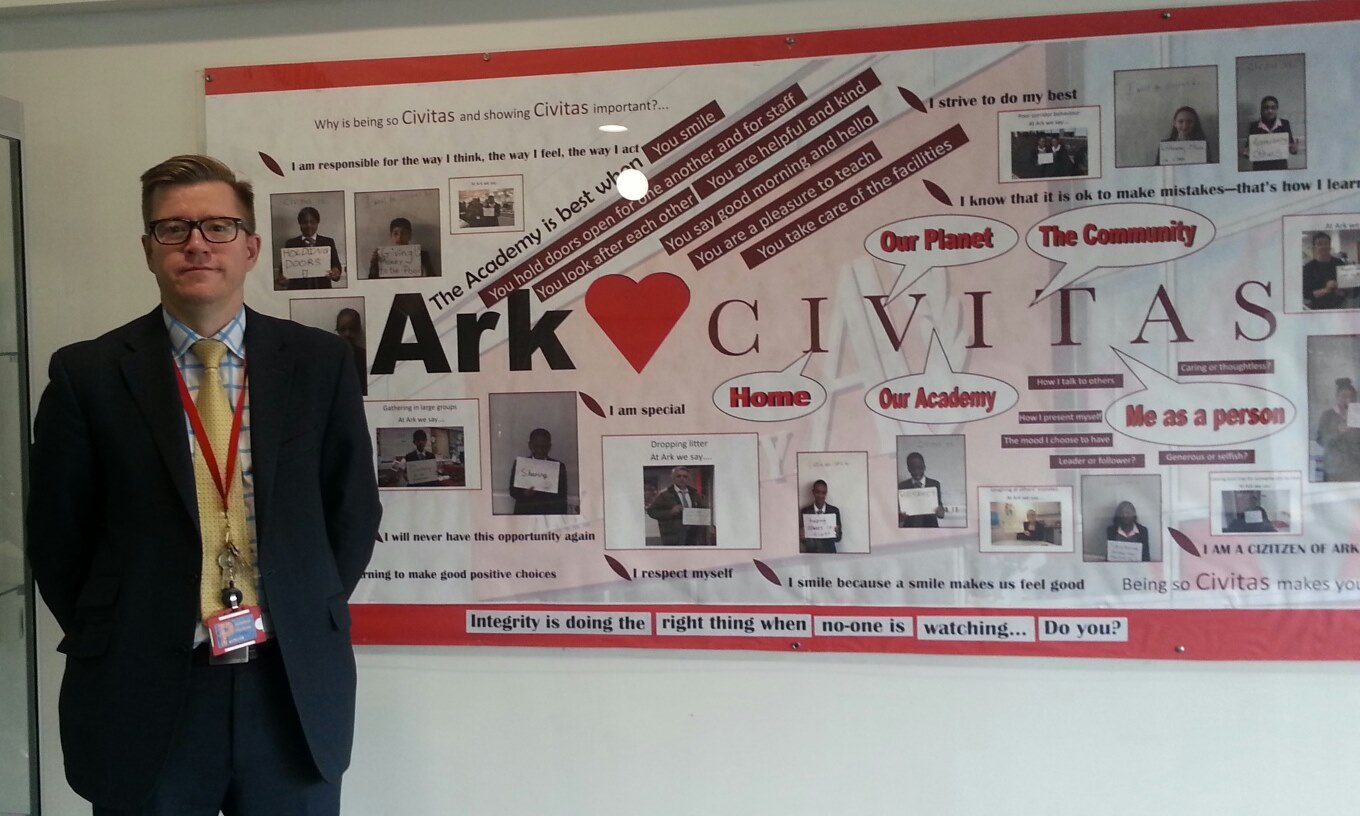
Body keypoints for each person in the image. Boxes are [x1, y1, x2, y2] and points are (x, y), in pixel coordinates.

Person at [26, 155, 381, 814]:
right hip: (144, 688)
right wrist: (127, 626)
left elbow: (352, 511)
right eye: (173, 228)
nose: (196, 243)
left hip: (290, 688)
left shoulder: (318, 363)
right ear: (148, 250)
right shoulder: (88, 374)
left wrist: (306, 607)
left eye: (218, 226)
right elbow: (57, 535)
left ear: (251, 247)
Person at [277, 206, 342, 290]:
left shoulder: (328, 242)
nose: (308, 225)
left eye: (313, 222)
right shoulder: (291, 243)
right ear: (299, 223)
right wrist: (283, 279)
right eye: (304, 222)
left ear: (317, 223)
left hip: (322, 290)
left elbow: (336, 266)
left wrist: (335, 272)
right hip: (298, 291)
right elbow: (282, 273)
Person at [646, 466, 714, 545]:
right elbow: (651, 511)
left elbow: (704, 511)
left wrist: (708, 524)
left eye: (685, 476)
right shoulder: (665, 495)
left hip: (693, 537)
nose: (682, 479)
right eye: (678, 476)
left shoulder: (695, 495)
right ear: (673, 478)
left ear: (688, 479)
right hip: (673, 537)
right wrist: (670, 512)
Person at [508, 427, 569, 514]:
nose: (539, 450)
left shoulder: (559, 467)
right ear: (530, 445)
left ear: (549, 447)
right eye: (536, 446)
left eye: (543, 447)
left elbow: (562, 498)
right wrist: (524, 494)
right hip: (525, 513)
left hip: (548, 515)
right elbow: (512, 491)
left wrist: (562, 518)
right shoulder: (520, 464)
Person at [1317, 377, 1360, 481]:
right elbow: (1321, 441)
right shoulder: (1327, 415)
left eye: (1352, 397)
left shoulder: (1358, 415)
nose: (1348, 400)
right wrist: (1337, 432)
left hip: (1356, 469)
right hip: (1334, 469)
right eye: (1344, 397)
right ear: (1337, 397)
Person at [1243, 95, 1297, 171]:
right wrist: (1246, 153)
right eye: (1266, 108)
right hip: (1260, 168)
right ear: (1261, 110)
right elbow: (1248, 151)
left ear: (1277, 109)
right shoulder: (1254, 126)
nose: (1270, 111)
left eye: (1273, 108)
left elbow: (1292, 148)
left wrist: (1294, 149)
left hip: (1280, 167)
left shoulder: (1285, 124)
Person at [368, 216, 434, 278]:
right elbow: (371, 282)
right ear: (391, 236)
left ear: (410, 236)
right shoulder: (381, 256)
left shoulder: (422, 256)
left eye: (404, 233)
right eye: (395, 233)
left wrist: (426, 273)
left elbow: (433, 279)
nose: (399, 237)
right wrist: (374, 266)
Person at [1302, 232, 1350, 310]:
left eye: (1326, 243)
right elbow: (1307, 294)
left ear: (1330, 246)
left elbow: (1347, 291)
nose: (1324, 246)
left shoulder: (1340, 263)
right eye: (1319, 244)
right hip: (1318, 308)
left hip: (1340, 307)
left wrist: (1337, 290)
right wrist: (1326, 290)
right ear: (1314, 247)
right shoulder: (1308, 268)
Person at [897, 451, 944, 528]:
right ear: (908, 469)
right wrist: (901, 516)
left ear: (924, 467)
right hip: (910, 528)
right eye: (913, 468)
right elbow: (898, 516)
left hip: (930, 527)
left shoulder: (934, 484)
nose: (916, 472)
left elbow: (940, 512)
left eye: (919, 468)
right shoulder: (902, 486)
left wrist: (940, 512)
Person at [799, 479, 841, 554]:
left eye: (823, 492)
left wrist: (837, 533)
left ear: (826, 493)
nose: (820, 495)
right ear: (813, 492)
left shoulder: (834, 511)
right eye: (817, 492)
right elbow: (803, 541)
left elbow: (838, 539)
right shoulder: (805, 511)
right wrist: (802, 538)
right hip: (811, 554)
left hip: (830, 553)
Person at [334, 307, 367, 396]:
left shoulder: (365, 356)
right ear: (337, 330)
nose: (347, 334)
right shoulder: (328, 356)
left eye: (352, 329)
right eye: (343, 329)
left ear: (358, 330)